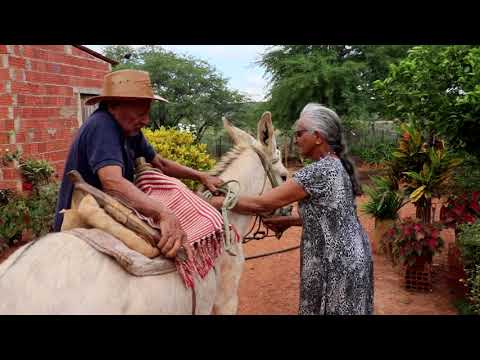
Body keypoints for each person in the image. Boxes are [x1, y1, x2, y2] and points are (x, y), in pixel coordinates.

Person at [209, 103, 374, 315]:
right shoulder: (337, 165)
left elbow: (263, 204)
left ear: (317, 136)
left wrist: (220, 202)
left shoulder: (317, 171)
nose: (295, 139)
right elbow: (331, 214)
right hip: (352, 257)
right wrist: (288, 221)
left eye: (299, 133)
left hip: (334, 263)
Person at [54, 69, 223, 261]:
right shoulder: (102, 126)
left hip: (110, 209)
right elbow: (113, 182)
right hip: (84, 219)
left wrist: (201, 176)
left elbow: (161, 163)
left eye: (147, 112)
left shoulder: (129, 130)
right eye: (140, 113)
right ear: (113, 106)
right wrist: (163, 213)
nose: (146, 120)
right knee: (159, 252)